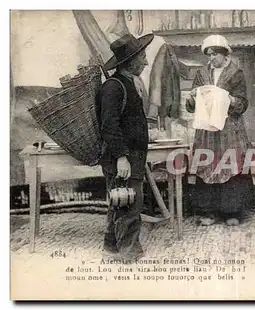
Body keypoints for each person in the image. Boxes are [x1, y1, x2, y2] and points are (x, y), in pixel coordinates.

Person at [186, 34, 255, 226]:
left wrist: (229, 99)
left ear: (225, 56)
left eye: (214, 54)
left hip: (229, 130)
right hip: (207, 132)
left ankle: (232, 212)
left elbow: (243, 104)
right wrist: (192, 98)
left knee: (230, 166)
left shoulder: (236, 74)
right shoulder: (201, 75)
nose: (211, 58)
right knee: (208, 164)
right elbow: (191, 106)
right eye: (208, 55)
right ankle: (209, 212)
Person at [96, 33, 153, 260]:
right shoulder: (114, 86)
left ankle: (111, 247)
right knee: (129, 203)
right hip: (123, 158)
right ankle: (129, 254)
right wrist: (121, 157)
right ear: (130, 61)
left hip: (132, 156)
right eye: (143, 58)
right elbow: (108, 125)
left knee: (119, 200)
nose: (146, 62)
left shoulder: (129, 83)